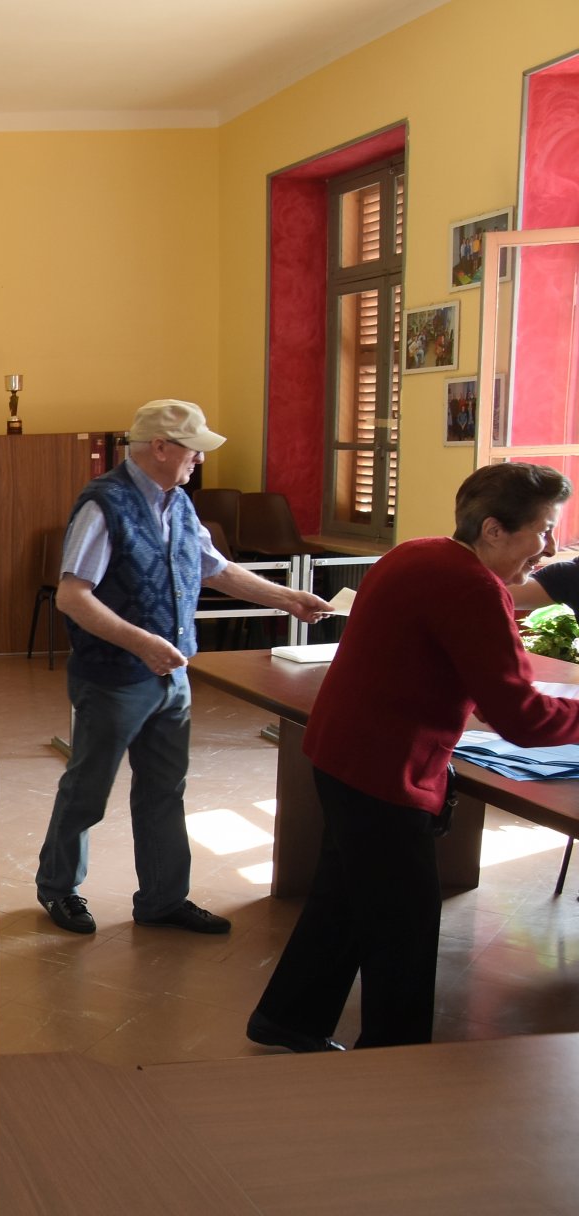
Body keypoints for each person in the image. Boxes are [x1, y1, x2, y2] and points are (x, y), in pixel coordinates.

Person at [249, 463, 579, 1051]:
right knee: (404, 928)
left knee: (345, 898)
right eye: (544, 530)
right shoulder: (474, 588)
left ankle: (289, 1019)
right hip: (385, 772)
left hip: (342, 754)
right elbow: (520, 717)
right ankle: (395, 1062)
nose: (551, 549)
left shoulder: (418, 553)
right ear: (495, 530)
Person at [36, 400, 329, 936]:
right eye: (193, 449)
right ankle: (58, 888)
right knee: (89, 789)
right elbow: (73, 596)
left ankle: (163, 900)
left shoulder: (180, 504)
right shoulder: (104, 505)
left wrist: (289, 598)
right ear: (160, 448)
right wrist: (142, 642)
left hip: (171, 677)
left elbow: (217, 570)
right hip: (114, 679)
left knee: (165, 790)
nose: (200, 458)